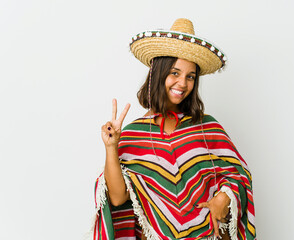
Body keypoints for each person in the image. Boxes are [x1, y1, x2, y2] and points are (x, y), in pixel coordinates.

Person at [90, 18, 256, 240]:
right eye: (175, 73)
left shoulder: (207, 127)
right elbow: (118, 198)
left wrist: (224, 198)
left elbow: (238, 176)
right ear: (159, 73)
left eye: (190, 77)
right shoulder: (134, 133)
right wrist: (111, 146)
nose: (183, 84)